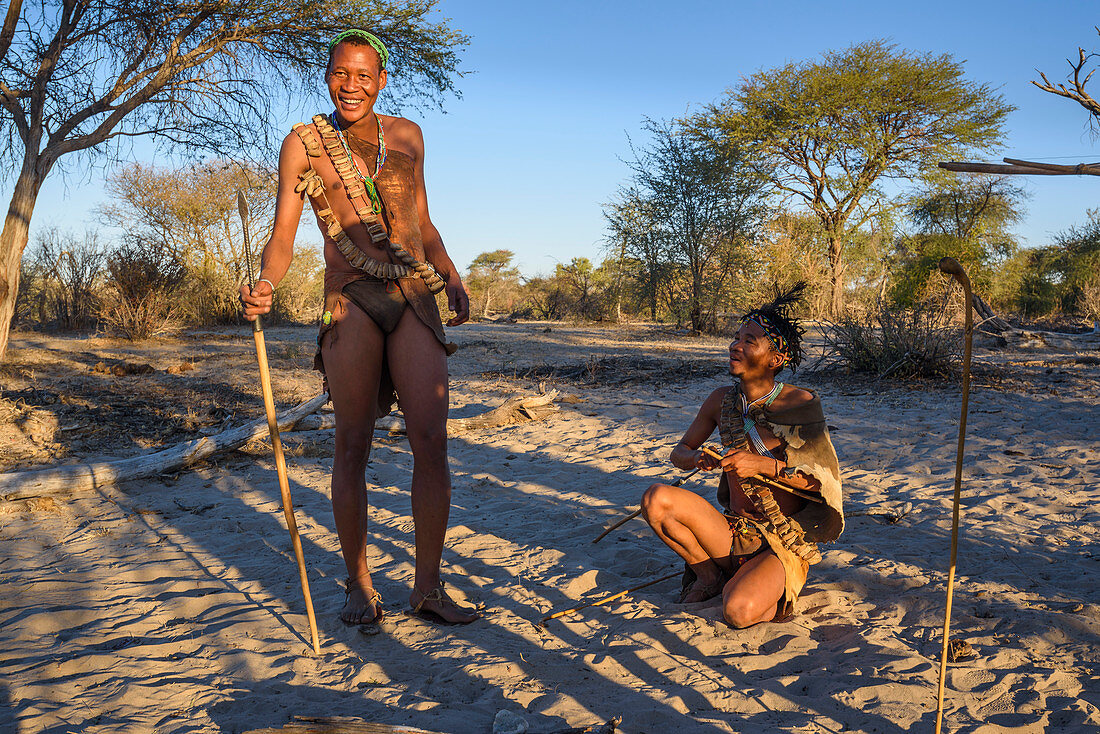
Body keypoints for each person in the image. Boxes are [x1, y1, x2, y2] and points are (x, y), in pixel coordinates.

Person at [240, 29, 478, 625]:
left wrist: (450, 274)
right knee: (352, 445)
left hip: (411, 289)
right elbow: (283, 238)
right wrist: (265, 282)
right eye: (341, 74)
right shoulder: (303, 144)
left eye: (364, 76)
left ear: (382, 81)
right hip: (350, 294)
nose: (352, 86)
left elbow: (421, 220)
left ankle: (427, 587)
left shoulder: (408, 135)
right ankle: (358, 585)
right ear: (327, 76)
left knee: (431, 442)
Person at [640, 284, 843, 627]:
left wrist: (761, 465)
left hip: (779, 539)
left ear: (776, 359)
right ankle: (709, 577)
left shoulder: (801, 404)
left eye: (750, 340)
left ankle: (761, 581)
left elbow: (822, 484)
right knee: (656, 499)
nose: (735, 345)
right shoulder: (721, 400)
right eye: (736, 338)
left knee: (737, 611)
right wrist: (697, 459)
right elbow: (680, 453)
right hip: (730, 531)